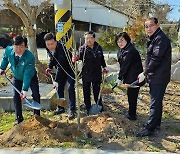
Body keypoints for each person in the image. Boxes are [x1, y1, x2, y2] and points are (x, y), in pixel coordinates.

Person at [136, 17, 172, 137]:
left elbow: (156, 58)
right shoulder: (154, 38)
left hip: (159, 76)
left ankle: (150, 128)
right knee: (157, 101)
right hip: (156, 75)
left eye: (151, 25)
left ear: (158, 25)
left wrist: (144, 73)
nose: (148, 29)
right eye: (146, 27)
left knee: (154, 102)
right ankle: (156, 124)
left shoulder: (160, 39)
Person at [0, 36, 40, 125]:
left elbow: (27, 74)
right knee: (16, 96)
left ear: (25, 47)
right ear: (13, 45)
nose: (18, 49)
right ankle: (19, 118)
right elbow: (5, 58)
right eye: (16, 46)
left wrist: (25, 89)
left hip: (31, 77)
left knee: (36, 94)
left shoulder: (29, 57)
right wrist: (2, 68)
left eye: (21, 47)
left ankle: (37, 117)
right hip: (17, 77)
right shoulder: (9, 50)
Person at [72, 31, 108, 115]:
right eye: (87, 38)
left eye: (91, 38)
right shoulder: (82, 49)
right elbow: (78, 56)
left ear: (94, 38)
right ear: (84, 39)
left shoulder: (98, 47)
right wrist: (75, 58)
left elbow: (101, 58)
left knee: (97, 91)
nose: (89, 40)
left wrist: (104, 67)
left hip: (96, 73)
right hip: (86, 73)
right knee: (86, 91)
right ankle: (88, 107)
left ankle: (99, 105)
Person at [44, 33, 76, 120]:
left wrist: (56, 80)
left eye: (52, 44)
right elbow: (53, 58)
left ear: (56, 42)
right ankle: (61, 107)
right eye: (48, 44)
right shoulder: (48, 48)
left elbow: (61, 66)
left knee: (70, 88)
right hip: (60, 69)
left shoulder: (62, 48)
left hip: (69, 70)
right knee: (59, 88)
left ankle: (72, 110)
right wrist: (49, 67)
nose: (50, 46)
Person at [115, 32, 144, 121]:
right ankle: (131, 113)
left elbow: (125, 66)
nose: (120, 43)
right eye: (118, 41)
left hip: (135, 77)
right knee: (130, 96)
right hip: (129, 77)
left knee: (132, 96)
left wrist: (119, 78)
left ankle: (132, 116)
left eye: (122, 40)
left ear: (127, 40)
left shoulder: (130, 51)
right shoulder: (123, 50)